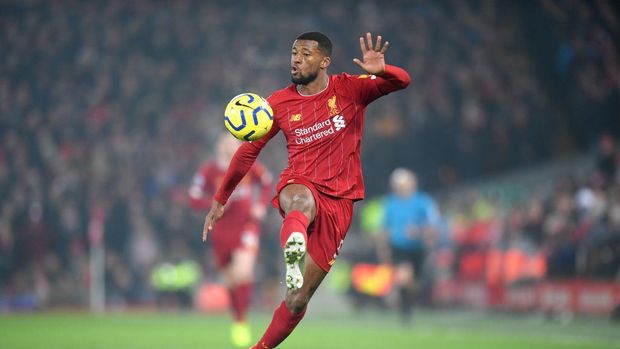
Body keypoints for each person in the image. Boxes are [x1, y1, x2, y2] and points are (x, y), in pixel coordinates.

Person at [203, 32, 410, 348]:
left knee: (298, 299)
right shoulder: (278, 103)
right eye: (293, 53)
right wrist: (221, 198)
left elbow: (403, 82)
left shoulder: (350, 89)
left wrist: (383, 71)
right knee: (299, 201)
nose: (296, 59)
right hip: (300, 181)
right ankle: (294, 245)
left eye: (305, 54)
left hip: (340, 201)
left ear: (324, 61)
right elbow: (247, 152)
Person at [189, 132, 272, 348]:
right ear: (219, 146)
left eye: (234, 142)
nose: (231, 145)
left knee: (243, 272)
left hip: (246, 225)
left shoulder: (247, 165)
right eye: (227, 142)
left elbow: (267, 181)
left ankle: (242, 321)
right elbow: (193, 198)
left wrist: (261, 205)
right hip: (221, 230)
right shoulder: (209, 171)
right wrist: (215, 203)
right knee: (231, 280)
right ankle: (237, 319)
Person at [378, 168, 439, 325]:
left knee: (415, 283)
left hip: (419, 248)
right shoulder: (390, 203)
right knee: (404, 278)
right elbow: (384, 228)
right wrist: (383, 248)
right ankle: (405, 312)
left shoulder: (423, 202)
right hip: (400, 247)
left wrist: (419, 231)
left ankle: (407, 303)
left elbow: (434, 227)